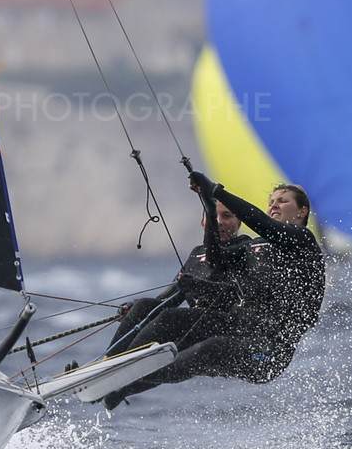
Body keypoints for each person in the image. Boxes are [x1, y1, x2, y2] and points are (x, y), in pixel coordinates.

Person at [101, 173, 327, 409]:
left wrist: (216, 191)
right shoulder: (256, 247)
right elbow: (215, 260)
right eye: (272, 201)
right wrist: (209, 208)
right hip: (239, 326)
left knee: (210, 348)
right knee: (166, 315)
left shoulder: (303, 241)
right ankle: (111, 368)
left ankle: (121, 381)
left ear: (302, 212)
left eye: (283, 201)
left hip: (267, 351)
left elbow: (261, 222)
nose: (274, 205)